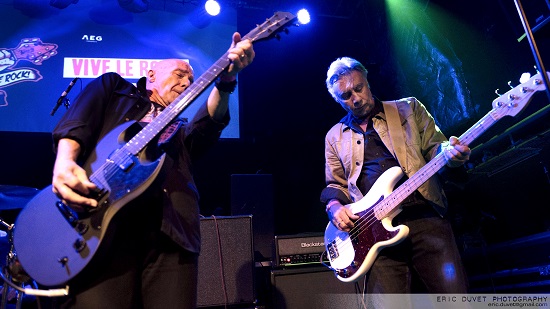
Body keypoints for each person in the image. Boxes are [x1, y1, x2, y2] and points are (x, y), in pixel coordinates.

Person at [47, 32, 254, 308]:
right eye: (180, 74)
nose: (187, 82)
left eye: (191, 79)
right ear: (151, 74)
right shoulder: (114, 88)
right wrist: (65, 162)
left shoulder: (177, 131)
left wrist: (227, 79)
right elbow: (78, 122)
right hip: (101, 231)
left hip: (171, 235)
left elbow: (210, 125)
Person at [321, 57, 470, 298]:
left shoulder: (408, 108)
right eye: (346, 96)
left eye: (358, 88)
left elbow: (436, 148)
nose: (356, 99)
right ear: (338, 100)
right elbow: (334, 185)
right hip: (373, 234)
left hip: (425, 216)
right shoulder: (334, 137)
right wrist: (335, 206)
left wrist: (450, 155)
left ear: (367, 82)